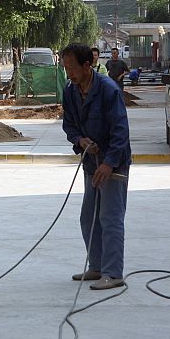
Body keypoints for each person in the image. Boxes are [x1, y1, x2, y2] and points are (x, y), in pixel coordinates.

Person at [61, 43, 132, 290]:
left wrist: (109, 164)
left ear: (87, 66)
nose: (68, 73)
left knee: (110, 218)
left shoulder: (108, 90)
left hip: (114, 164)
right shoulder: (70, 91)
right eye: (65, 68)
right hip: (91, 162)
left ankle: (113, 273)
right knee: (88, 217)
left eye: (72, 68)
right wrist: (80, 140)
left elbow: (121, 132)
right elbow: (69, 124)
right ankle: (97, 266)